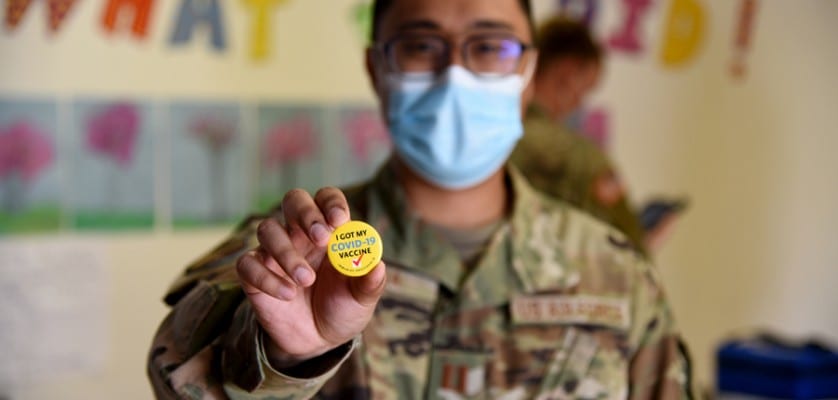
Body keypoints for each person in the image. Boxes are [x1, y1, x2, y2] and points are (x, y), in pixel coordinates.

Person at [147, 0, 694, 398]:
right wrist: (291, 356)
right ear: (376, 69)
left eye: (490, 46)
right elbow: (176, 379)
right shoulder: (288, 258)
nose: (455, 72)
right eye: (419, 45)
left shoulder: (619, 275)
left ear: (528, 74)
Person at [510, 17, 656, 256]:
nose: (580, 103)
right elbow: (631, 247)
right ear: (567, 72)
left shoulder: (488, 141)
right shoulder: (583, 159)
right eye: (585, 88)